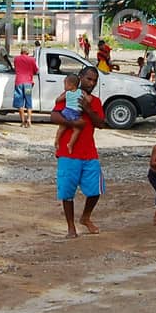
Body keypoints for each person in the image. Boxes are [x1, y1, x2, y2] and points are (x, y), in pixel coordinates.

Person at [50, 65, 106, 238]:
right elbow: (54, 116)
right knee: (67, 192)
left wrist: (87, 109)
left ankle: (85, 217)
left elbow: (101, 123)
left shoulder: (94, 101)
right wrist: (75, 124)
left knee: (96, 189)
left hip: (89, 152)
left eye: (95, 80)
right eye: (89, 78)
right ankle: (71, 227)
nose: (92, 83)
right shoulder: (68, 95)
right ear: (80, 77)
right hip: (68, 152)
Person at [54, 74, 87, 156]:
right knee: (77, 130)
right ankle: (70, 144)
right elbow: (88, 99)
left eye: (65, 84)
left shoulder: (67, 93)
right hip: (76, 113)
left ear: (71, 85)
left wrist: (57, 99)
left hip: (67, 112)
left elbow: (58, 100)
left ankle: (57, 140)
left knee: (61, 128)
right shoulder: (81, 92)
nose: (64, 87)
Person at [12, 44, 38, 128]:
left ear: (21, 51)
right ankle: (29, 120)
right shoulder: (32, 60)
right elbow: (36, 71)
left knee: (20, 102)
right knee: (28, 100)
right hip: (28, 84)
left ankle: (23, 121)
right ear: (28, 52)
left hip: (19, 83)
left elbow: (15, 68)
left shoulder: (16, 59)